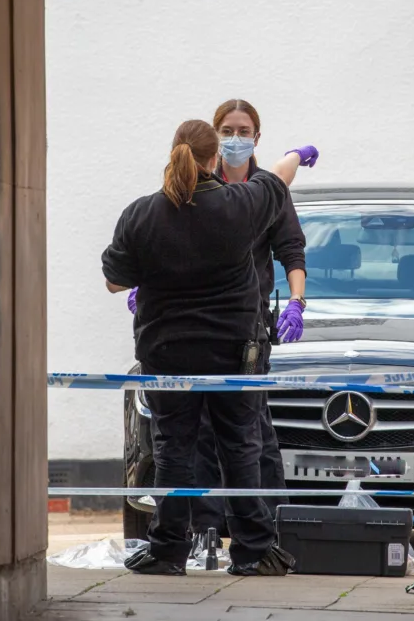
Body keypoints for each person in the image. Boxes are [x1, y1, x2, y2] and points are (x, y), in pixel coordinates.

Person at [102, 119, 299, 576]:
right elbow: (277, 177)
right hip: (234, 352)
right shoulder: (241, 204)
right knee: (241, 448)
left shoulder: (141, 214)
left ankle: (168, 550)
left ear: (174, 153)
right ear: (215, 160)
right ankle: (252, 550)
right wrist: (295, 155)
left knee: (173, 451)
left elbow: (115, 281)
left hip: (167, 352)